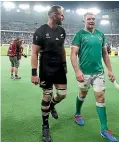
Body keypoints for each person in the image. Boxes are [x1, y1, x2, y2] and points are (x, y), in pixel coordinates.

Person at [70, 12, 118, 142]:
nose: (91, 21)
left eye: (93, 19)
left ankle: (104, 129)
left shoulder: (100, 35)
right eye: (88, 19)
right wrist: (77, 71)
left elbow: (105, 54)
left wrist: (110, 70)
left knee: (101, 97)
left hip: (98, 72)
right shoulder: (80, 35)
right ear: (84, 21)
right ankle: (77, 114)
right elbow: (73, 54)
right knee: (82, 94)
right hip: (84, 73)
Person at [31, 5, 67, 142]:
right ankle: (45, 126)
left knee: (62, 94)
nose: (63, 17)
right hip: (46, 69)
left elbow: (62, 49)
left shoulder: (62, 31)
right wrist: (34, 73)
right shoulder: (40, 31)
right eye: (61, 15)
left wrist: (64, 65)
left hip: (59, 68)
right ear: (54, 15)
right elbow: (34, 53)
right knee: (47, 95)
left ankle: (52, 105)